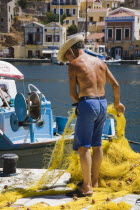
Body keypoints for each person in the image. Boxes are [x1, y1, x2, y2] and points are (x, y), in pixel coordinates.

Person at [57, 34, 125, 197]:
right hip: (103, 104)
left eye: (67, 55)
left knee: (83, 147)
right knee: (97, 145)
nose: (67, 59)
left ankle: (86, 187)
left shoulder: (74, 64)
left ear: (72, 51)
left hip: (88, 104)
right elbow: (116, 85)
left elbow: (73, 94)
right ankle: (94, 181)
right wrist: (117, 103)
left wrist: (80, 102)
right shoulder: (100, 62)